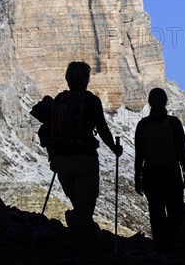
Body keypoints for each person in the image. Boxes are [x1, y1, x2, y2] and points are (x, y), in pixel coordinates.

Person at [37, 61, 123, 258]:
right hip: (85, 161)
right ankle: (82, 248)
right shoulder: (91, 101)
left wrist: (53, 158)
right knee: (84, 209)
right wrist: (113, 148)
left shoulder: (58, 100)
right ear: (85, 79)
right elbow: (102, 129)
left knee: (79, 205)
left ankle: (81, 244)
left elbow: (50, 131)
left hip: (62, 163)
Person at [134, 88, 185, 254]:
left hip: (151, 175)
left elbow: (139, 155)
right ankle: (171, 244)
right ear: (165, 101)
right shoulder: (173, 123)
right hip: (171, 174)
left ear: (150, 102)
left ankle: (160, 247)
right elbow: (183, 151)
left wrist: (137, 178)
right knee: (176, 213)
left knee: (156, 212)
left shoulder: (143, 125)